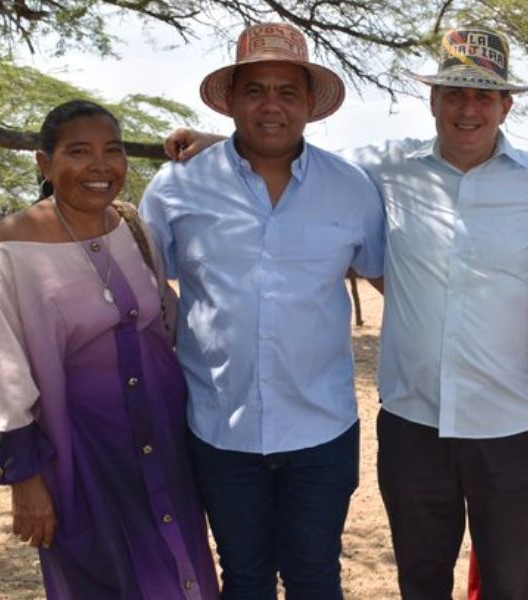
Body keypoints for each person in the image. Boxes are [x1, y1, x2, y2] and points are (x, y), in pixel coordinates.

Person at [164, 28, 528, 599]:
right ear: (432, 100)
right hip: (411, 424)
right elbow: (293, 157)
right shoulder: (381, 167)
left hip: (510, 428)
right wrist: (218, 143)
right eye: (454, 92)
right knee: (421, 582)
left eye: (483, 95)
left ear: (507, 105)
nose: (467, 108)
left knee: (515, 585)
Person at [139, 23, 386, 597]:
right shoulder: (179, 184)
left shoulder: (351, 188)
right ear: (230, 101)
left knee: (315, 575)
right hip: (217, 426)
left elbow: (386, 277)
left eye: (287, 91)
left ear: (309, 105)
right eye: (255, 90)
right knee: (244, 577)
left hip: (322, 427)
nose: (271, 106)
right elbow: (145, 289)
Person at [0, 100, 219, 599]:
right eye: (79, 152)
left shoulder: (130, 227)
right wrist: (25, 479)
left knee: (182, 566)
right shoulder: (12, 250)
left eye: (113, 151)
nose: (100, 166)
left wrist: (213, 142)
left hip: (166, 439)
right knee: (101, 576)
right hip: (82, 453)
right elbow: (1, 369)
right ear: (45, 163)